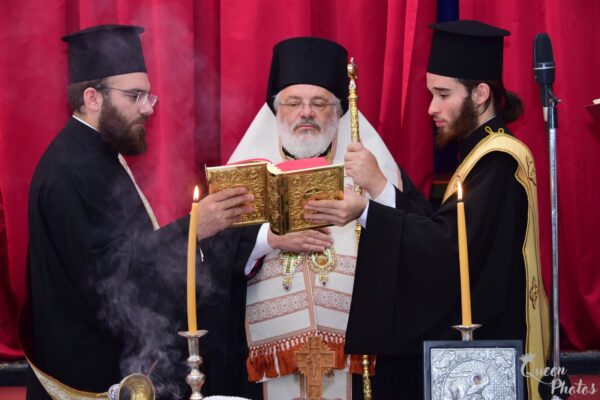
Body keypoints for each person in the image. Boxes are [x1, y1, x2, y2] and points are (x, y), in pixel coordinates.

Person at [304, 20, 550, 399]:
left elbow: (448, 249)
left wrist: (370, 203)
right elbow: (443, 230)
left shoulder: (498, 161)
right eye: (430, 93)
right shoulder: (482, 152)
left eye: (443, 94)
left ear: (480, 93)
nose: (431, 107)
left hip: (488, 357)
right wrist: (378, 191)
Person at [25, 24, 257, 399]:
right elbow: (109, 276)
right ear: (92, 98)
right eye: (135, 96)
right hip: (86, 378)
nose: (148, 108)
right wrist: (194, 228)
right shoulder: (71, 170)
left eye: (149, 96)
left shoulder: (97, 152)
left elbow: (130, 252)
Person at [228, 37, 430, 399]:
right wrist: (268, 239)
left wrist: (378, 189)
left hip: (361, 360)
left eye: (319, 103)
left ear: (339, 111)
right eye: (294, 102)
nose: (306, 112)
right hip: (267, 365)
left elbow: (425, 241)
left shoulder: (372, 167)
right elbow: (211, 260)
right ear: (276, 109)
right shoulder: (245, 171)